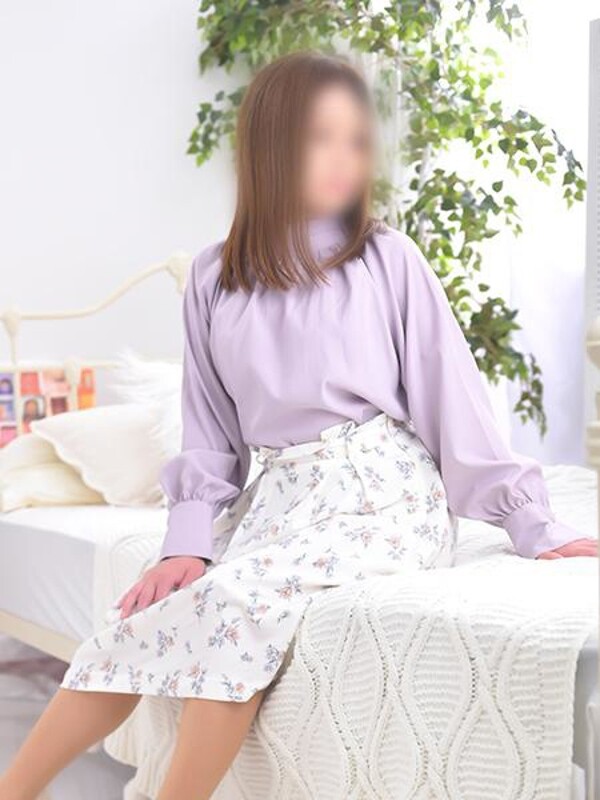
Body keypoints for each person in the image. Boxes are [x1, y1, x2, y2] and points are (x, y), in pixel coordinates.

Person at [1, 52, 596, 800]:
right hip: (279, 503)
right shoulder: (213, 277)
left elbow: (454, 401)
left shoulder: (388, 258)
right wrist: (186, 539)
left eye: (357, 139)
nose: (346, 158)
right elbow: (210, 429)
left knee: (238, 605)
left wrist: (529, 520)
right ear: (272, 143)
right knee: (131, 626)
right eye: (322, 138)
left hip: (382, 494)